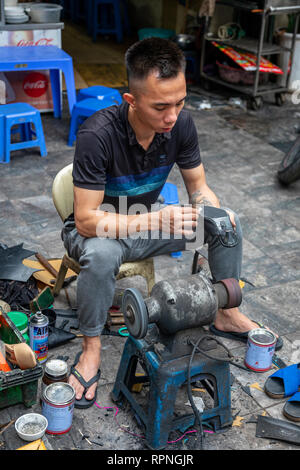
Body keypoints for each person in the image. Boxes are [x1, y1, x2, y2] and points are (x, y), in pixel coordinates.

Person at [62, 37, 282, 409]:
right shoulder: (97, 135)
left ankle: (226, 313)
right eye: (161, 107)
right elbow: (85, 220)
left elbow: (199, 187)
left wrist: (209, 211)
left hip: (147, 225)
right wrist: (155, 218)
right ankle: (91, 350)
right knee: (100, 255)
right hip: (101, 231)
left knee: (228, 222)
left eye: (180, 103)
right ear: (131, 101)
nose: (172, 116)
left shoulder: (180, 125)